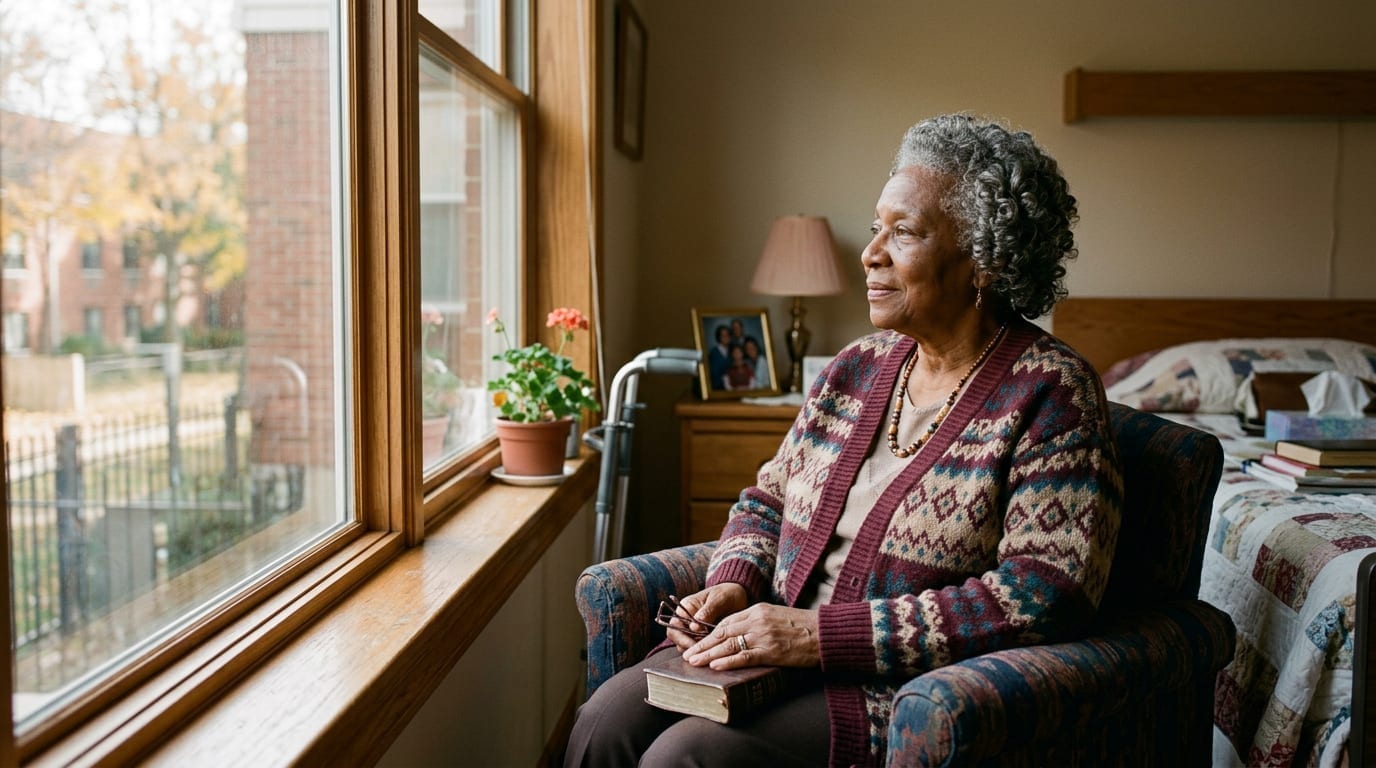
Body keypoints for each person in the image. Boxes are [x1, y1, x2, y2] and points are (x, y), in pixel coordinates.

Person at [564, 114, 1124, 767]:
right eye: (877, 224)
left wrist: (819, 637)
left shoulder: (1053, 393)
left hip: (896, 688)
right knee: (602, 722)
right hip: (764, 647)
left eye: (905, 232)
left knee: (685, 759)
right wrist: (736, 582)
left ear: (985, 260)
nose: (871, 251)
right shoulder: (857, 367)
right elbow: (766, 500)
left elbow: (1047, 590)